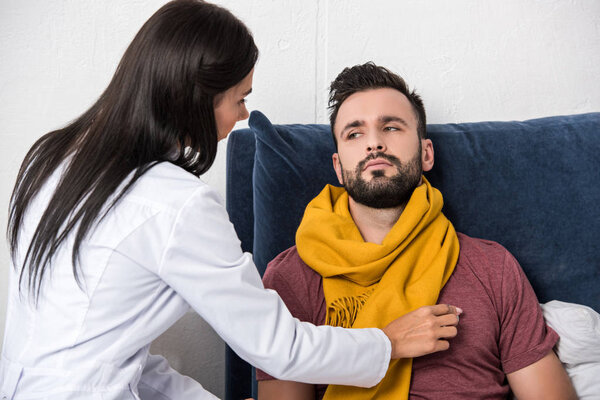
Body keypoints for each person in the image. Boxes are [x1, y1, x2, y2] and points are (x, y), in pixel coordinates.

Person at [0, 3, 462, 400]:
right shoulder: (177, 205)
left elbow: (107, 353)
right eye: (240, 99)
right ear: (195, 99)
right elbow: (276, 347)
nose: (243, 115)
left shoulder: (52, 157)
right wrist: (386, 343)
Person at [256, 62, 577, 399]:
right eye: (355, 133)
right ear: (338, 166)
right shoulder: (291, 276)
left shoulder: (492, 267)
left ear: (426, 154)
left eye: (391, 128)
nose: (374, 144)